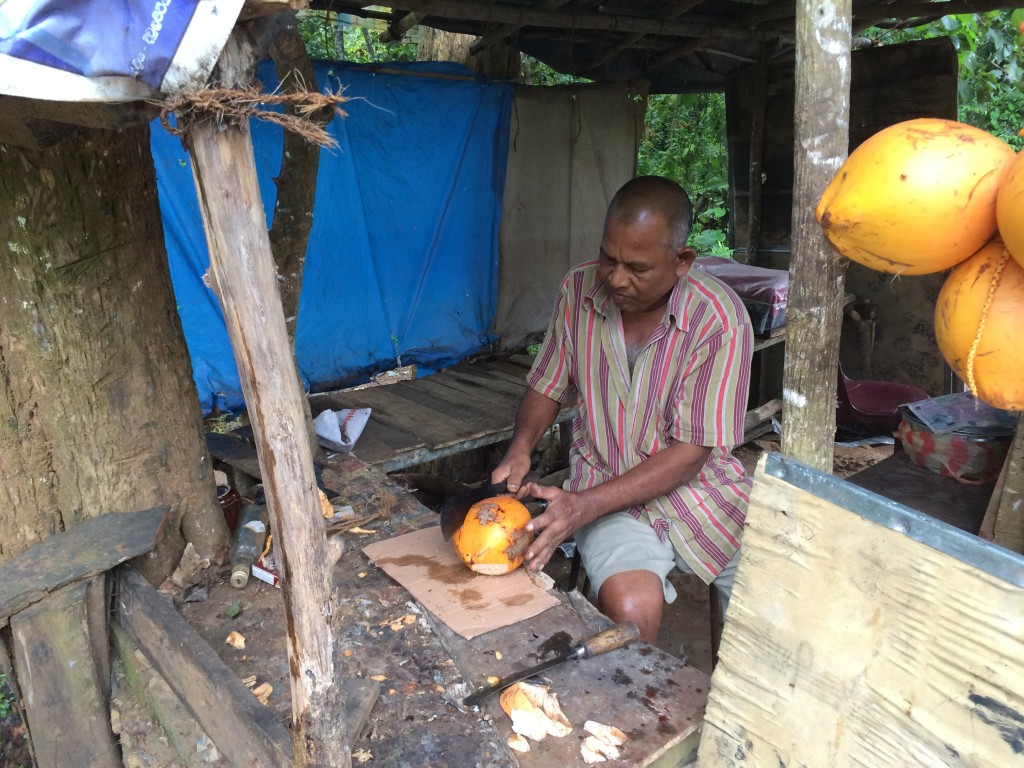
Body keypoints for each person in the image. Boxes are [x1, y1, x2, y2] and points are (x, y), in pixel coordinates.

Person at [492, 175, 754, 644]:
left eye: (636, 267)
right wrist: (521, 447)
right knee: (633, 613)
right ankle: (634, 711)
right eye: (608, 259)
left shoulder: (718, 318)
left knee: (773, 619)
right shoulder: (578, 291)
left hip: (705, 493)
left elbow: (692, 452)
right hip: (604, 483)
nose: (615, 278)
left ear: (682, 261)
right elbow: (547, 383)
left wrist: (580, 508)